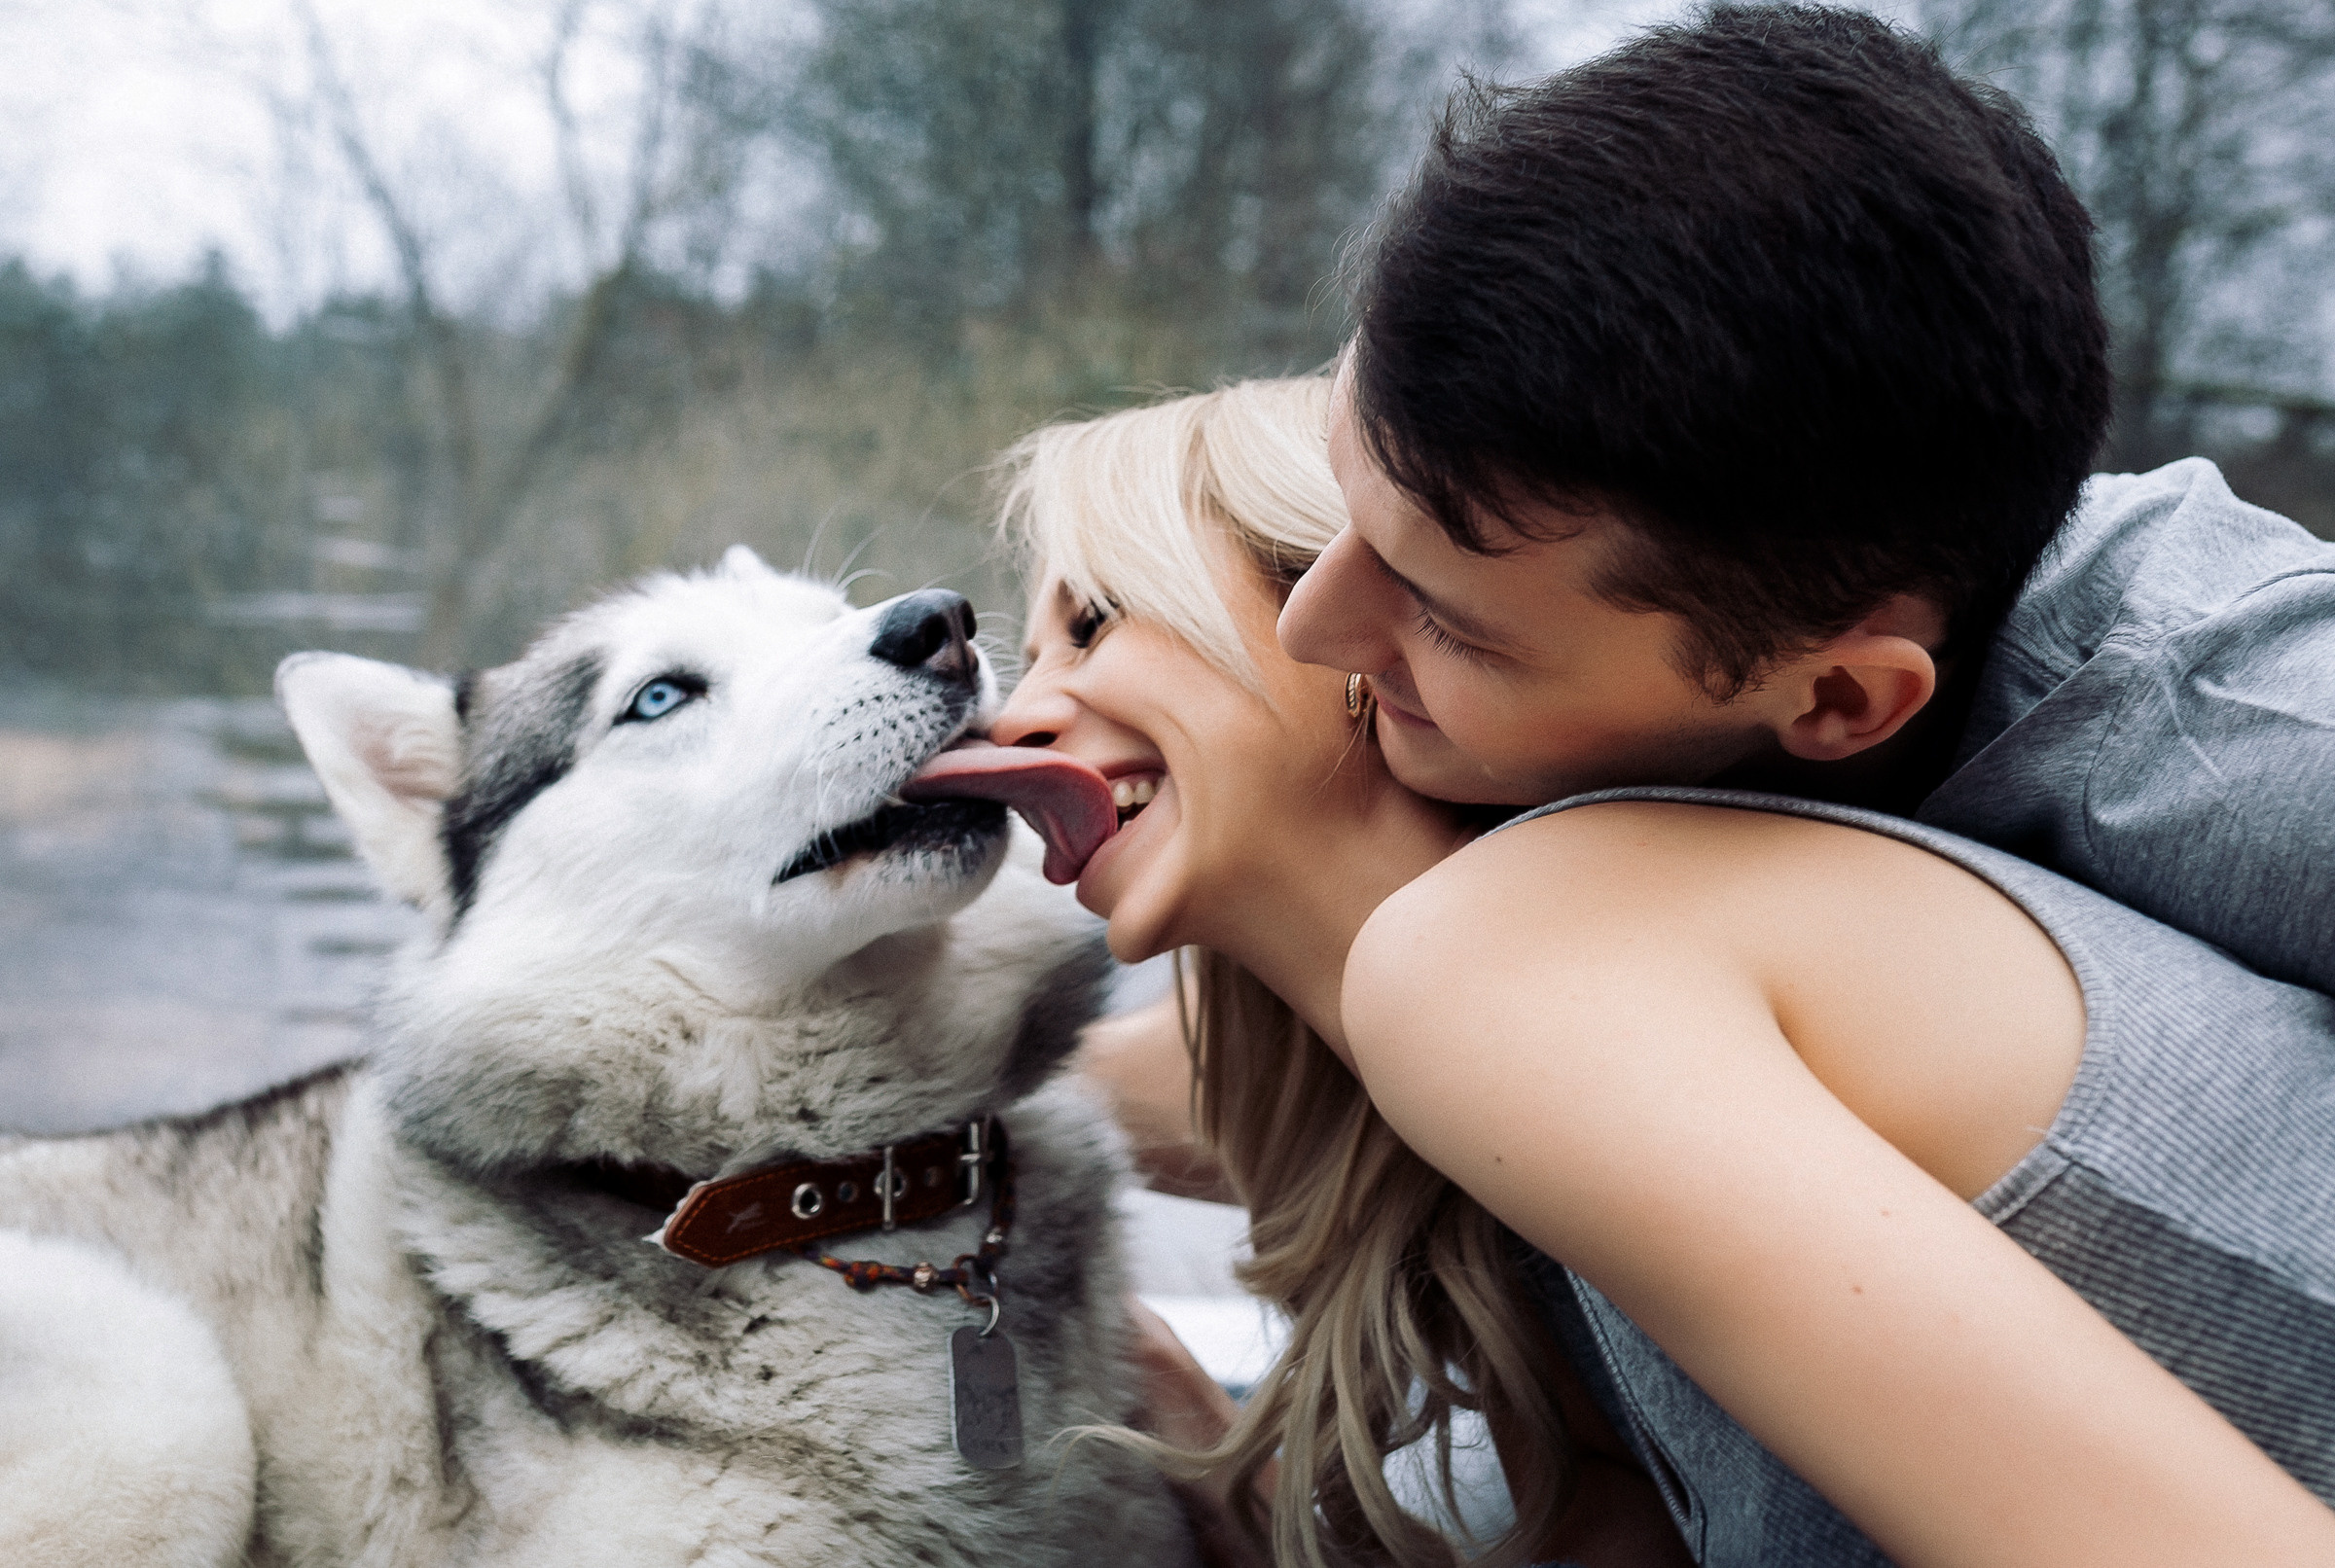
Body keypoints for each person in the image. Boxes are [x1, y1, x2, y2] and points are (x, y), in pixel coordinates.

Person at [964, 374, 2335, 1568]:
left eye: (1093, 625)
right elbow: (1057, 1093)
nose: (1019, 715)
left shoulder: (1553, 962)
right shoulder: (1416, 1099)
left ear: (1345, 613)